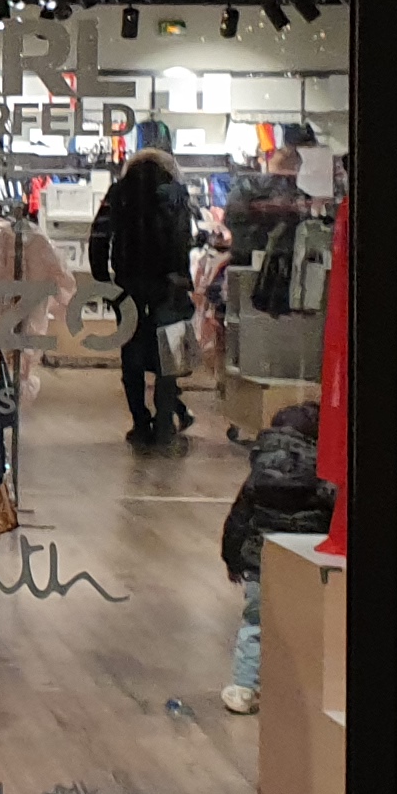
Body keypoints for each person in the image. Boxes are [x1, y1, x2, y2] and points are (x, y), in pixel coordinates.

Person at [217, 401, 332, 716]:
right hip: (308, 562)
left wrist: (232, 559)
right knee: (311, 625)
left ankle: (244, 687)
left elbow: (238, 519)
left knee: (255, 624)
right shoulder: (322, 471)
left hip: (260, 564)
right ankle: (306, 691)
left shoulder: (258, 473)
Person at [88, 123, 199, 447]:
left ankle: (140, 422)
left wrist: (103, 280)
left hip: (129, 284)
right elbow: (183, 239)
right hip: (168, 285)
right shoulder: (176, 193)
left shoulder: (119, 192)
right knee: (168, 352)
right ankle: (164, 422)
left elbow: (99, 237)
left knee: (132, 353)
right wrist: (181, 277)